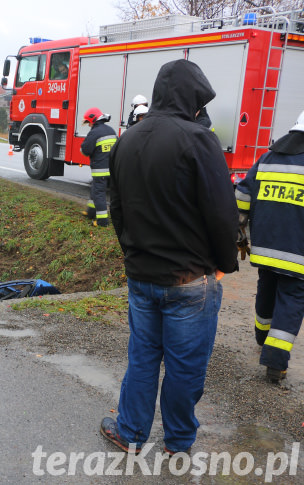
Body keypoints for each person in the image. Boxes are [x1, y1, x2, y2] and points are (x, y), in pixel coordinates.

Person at [102, 59, 239, 455]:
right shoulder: (198, 140)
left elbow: (117, 206)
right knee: (184, 368)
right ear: (192, 99)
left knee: (143, 358)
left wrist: (131, 252)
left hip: (142, 276)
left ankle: (129, 433)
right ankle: (177, 443)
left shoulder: (127, 139)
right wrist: (224, 263)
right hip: (189, 280)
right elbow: (220, 212)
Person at [234, 110, 304, 383]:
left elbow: (242, 193)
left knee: (267, 289)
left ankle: (262, 336)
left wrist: (239, 229)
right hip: (298, 253)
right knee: (292, 300)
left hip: (265, 247)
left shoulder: (267, 158)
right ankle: (275, 364)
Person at [80, 107, 117, 227]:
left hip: (100, 171)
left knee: (99, 194)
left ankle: (102, 221)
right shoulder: (111, 130)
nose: (89, 125)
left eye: (88, 122)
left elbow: (85, 150)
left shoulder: (94, 133)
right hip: (113, 169)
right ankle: (91, 211)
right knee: (95, 189)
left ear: (93, 120)